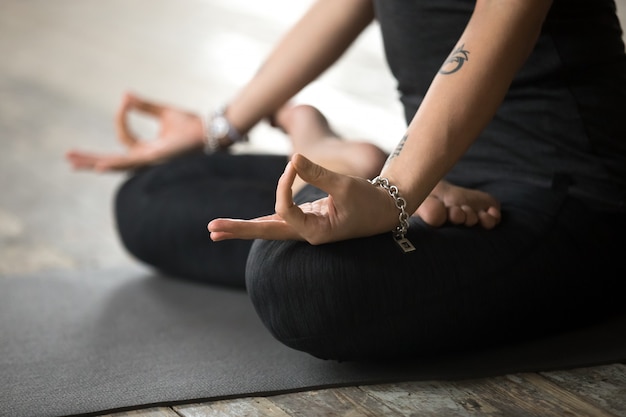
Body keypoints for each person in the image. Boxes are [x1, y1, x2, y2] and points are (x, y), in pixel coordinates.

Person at [67, 0, 626, 362]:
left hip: (562, 197)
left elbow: (500, 24)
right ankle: (347, 159)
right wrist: (219, 125)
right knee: (149, 195)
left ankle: (350, 161)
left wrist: (396, 190)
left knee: (297, 282)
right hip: (424, 171)